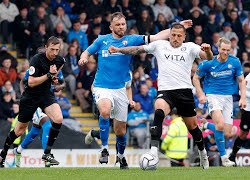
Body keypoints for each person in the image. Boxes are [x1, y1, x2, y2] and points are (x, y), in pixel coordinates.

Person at [78, 12, 193, 169]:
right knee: (104, 111)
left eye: (123, 24)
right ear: (111, 27)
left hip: (120, 89)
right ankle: (104, 149)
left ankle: (121, 156)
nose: (121, 27)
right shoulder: (102, 40)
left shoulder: (131, 40)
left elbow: (156, 37)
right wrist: (83, 58)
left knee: (120, 130)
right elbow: (87, 51)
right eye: (117, 25)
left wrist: (177, 26)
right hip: (102, 86)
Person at [108, 23, 213, 169]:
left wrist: (207, 51)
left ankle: (203, 154)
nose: (175, 38)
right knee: (158, 111)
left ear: (184, 37)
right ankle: (153, 151)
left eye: (179, 36)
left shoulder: (190, 47)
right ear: (169, 34)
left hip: (184, 91)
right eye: (173, 35)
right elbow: (137, 49)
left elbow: (208, 58)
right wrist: (119, 49)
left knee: (193, 127)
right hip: (166, 91)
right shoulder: (160, 45)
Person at [0, 36, 65, 168]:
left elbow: (55, 78)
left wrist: (54, 80)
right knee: (19, 131)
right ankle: (3, 154)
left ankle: (47, 154)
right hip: (30, 97)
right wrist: (48, 75)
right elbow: (30, 82)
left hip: (46, 94)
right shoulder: (36, 60)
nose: (54, 53)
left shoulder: (60, 60)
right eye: (52, 49)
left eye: (57, 50)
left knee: (58, 118)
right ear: (46, 47)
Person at [193, 37, 246, 167]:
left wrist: (243, 97)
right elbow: (195, 78)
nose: (225, 52)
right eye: (223, 49)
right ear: (218, 48)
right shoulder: (208, 63)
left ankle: (206, 125)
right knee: (220, 125)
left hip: (228, 98)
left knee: (228, 133)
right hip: (213, 95)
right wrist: (200, 94)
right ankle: (224, 158)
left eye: (228, 50)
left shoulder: (235, 62)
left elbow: (241, 80)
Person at [13, 69, 64, 168]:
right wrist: (25, 96)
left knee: (35, 131)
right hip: (34, 101)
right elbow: (22, 81)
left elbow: (62, 83)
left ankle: (18, 151)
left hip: (48, 101)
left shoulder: (57, 68)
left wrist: (58, 87)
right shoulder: (36, 67)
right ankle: (47, 158)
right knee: (47, 126)